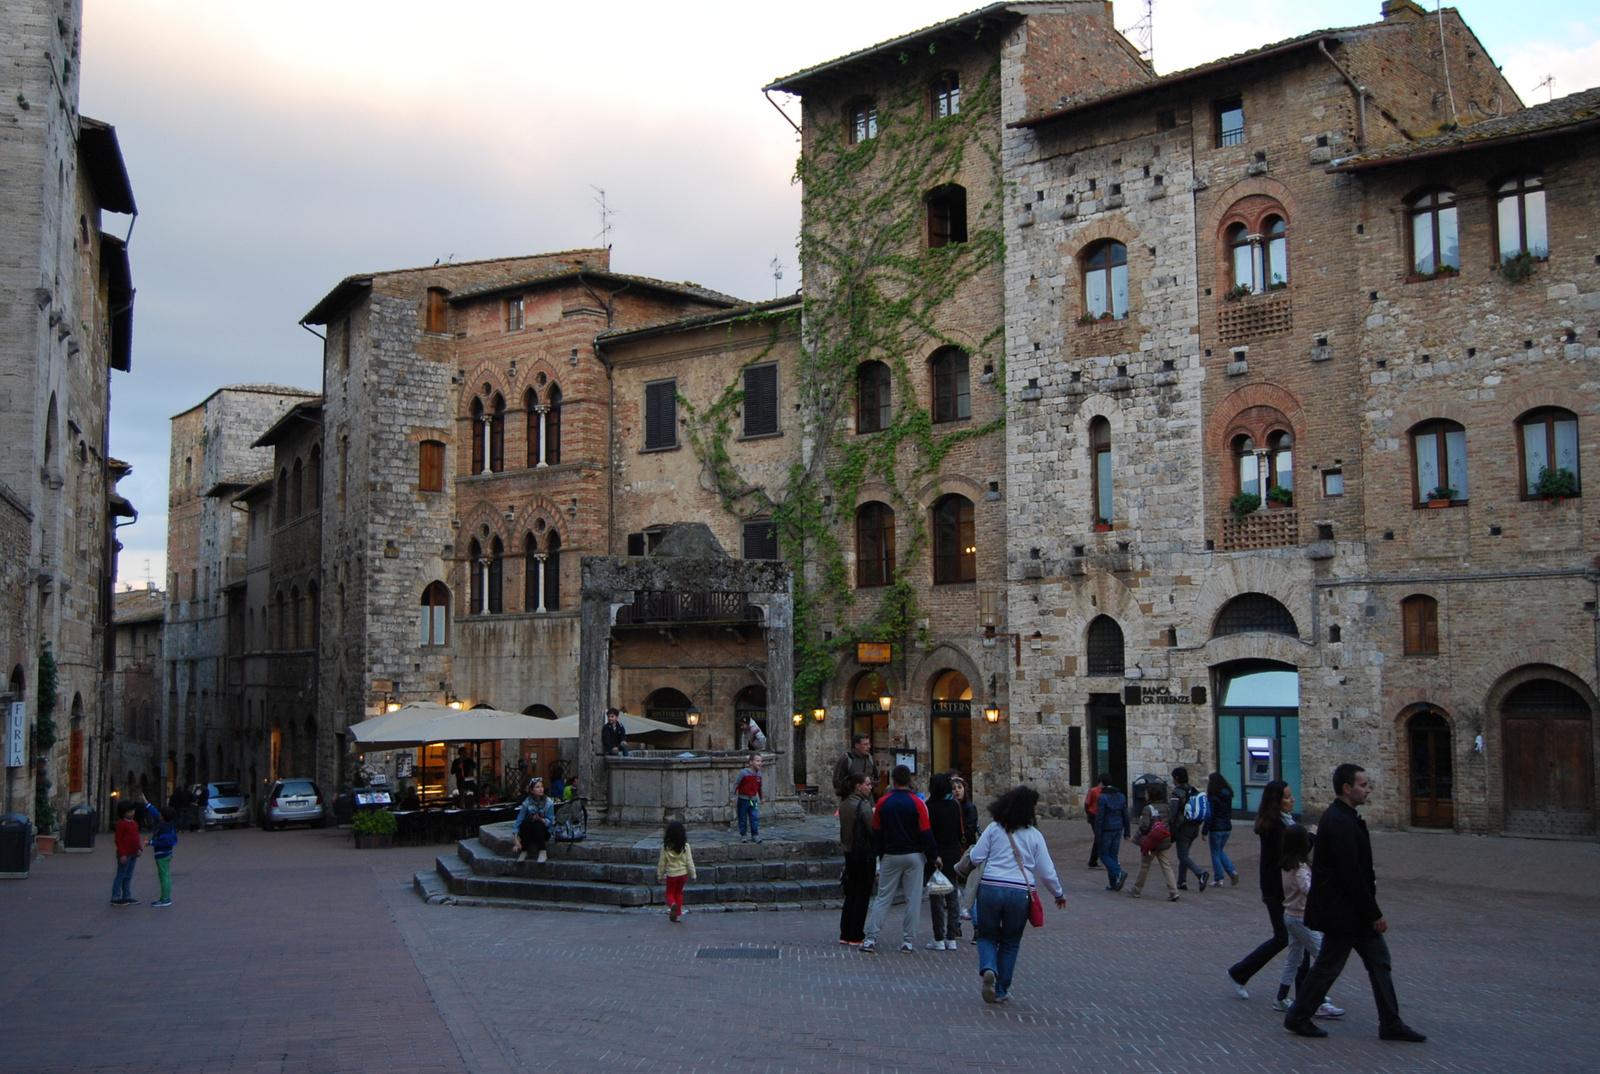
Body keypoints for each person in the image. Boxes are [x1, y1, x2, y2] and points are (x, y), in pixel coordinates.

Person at [1284, 765, 1426, 1042]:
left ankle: (1390, 1022)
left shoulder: (1343, 817)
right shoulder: (1339, 821)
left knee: (1378, 961)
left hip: (1351, 910)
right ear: (1347, 788)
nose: (1368, 789)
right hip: (1346, 911)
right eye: (1363, 784)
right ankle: (1298, 1016)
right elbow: (1351, 873)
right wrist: (1373, 913)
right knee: (1330, 964)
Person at [967, 785, 1065, 1004]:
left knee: (987, 935)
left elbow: (975, 857)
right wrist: (1058, 893)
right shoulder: (1035, 836)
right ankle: (1001, 989)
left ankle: (988, 967)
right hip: (1020, 890)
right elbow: (1047, 872)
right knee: (1011, 942)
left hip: (991, 886)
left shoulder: (994, 828)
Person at [1226, 780, 1307, 1000]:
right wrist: (1313, 837)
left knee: (1299, 940)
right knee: (1285, 938)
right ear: (1276, 802)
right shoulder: (1274, 826)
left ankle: (1308, 990)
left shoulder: (1283, 823)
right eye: (1288, 797)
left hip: (1281, 888)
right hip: (1277, 890)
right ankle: (1239, 972)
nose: (1292, 800)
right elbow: (1291, 851)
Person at [859, 765, 939, 953]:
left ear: (893, 781)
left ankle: (871, 938)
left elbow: (877, 831)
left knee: (883, 897)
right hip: (913, 854)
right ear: (909, 781)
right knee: (913, 899)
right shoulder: (918, 803)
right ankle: (908, 941)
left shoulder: (883, 802)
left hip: (891, 854)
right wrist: (933, 856)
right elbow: (926, 832)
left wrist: (880, 853)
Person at [1274, 825, 1344, 1017]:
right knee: (1322, 957)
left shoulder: (1286, 862)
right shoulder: (1300, 867)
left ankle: (1281, 997)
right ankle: (1316, 1001)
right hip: (1301, 918)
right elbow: (1308, 889)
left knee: (1294, 959)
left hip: (1290, 915)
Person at [925, 772, 964, 950]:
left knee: (937, 897)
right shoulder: (954, 806)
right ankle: (952, 936)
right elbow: (958, 832)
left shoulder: (929, 807)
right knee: (953, 896)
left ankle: (939, 937)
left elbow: (927, 833)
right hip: (953, 853)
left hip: (936, 855)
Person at [838, 772, 877, 945]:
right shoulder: (863, 805)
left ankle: (845, 932)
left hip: (849, 851)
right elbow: (872, 830)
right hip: (863, 853)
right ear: (858, 786)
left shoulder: (845, 804)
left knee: (851, 892)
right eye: (867, 784)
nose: (870, 787)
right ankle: (856, 934)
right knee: (862, 893)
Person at [1128, 783, 1179, 901]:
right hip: (1164, 840)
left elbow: (1145, 826)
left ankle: (1137, 889)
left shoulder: (1147, 808)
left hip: (1152, 842)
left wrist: (1141, 821)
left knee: (1144, 866)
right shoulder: (1165, 806)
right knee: (1166, 866)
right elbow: (1170, 821)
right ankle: (1174, 891)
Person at [1168, 766, 1209, 891]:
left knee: (1182, 855)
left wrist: (1170, 823)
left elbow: (1173, 812)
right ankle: (1182, 881)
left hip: (1183, 827)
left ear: (1176, 778)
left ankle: (1200, 873)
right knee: (1185, 854)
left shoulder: (1176, 792)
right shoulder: (1193, 790)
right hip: (1194, 827)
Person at [1092, 780, 1130, 891]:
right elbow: (1126, 815)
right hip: (1118, 828)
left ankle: (1118, 873)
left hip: (1107, 829)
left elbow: (1100, 818)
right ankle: (1114, 883)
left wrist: (1097, 835)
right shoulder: (1121, 797)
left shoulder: (1102, 798)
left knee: (1103, 855)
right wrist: (1127, 831)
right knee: (1113, 855)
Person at [657, 819, 696, 923]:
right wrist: (693, 875)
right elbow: (689, 862)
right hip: (683, 874)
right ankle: (678, 915)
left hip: (671, 874)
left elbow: (662, 863)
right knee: (679, 893)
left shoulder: (666, 847)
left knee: (670, 893)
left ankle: (672, 904)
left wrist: (659, 875)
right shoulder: (686, 846)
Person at [1203, 771, 1239, 886]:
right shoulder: (1227, 794)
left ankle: (1219, 878)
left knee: (1215, 852)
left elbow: (1210, 815)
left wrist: (1204, 831)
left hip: (1216, 828)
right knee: (1220, 851)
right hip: (1227, 827)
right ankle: (1231, 871)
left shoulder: (1213, 797)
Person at [111, 799, 144, 906]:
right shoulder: (122, 824)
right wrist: (122, 854)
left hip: (133, 852)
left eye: (133, 811)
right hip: (125, 853)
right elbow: (118, 840)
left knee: (129, 875)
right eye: (129, 811)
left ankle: (127, 895)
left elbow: (136, 837)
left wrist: (139, 848)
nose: (132, 813)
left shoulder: (134, 823)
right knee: (121, 875)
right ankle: (115, 896)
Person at [513, 777, 555, 863]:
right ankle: (524, 850)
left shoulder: (549, 803)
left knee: (537, 823)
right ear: (531, 790)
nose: (540, 789)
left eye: (541, 786)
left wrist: (542, 820)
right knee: (527, 821)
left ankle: (542, 850)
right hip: (530, 832)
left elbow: (550, 821)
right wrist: (516, 841)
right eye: (537, 787)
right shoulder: (527, 803)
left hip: (543, 832)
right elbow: (519, 821)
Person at [147, 804, 178, 906]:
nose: (158, 815)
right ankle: (165, 897)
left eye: (160, 814)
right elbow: (155, 814)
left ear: (163, 817)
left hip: (162, 854)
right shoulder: (167, 824)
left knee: (163, 876)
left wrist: (151, 843)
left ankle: (165, 898)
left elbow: (164, 843)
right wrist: (147, 803)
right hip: (166, 854)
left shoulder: (164, 828)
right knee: (165, 876)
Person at [832, 733, 878, 800]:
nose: (868, 747)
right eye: (865, 744)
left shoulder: (870, 759)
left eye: (869, 744)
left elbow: (878, 778)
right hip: (850, 799)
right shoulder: (847, 759)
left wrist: (870, 783)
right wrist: (852, 787)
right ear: (857, 745)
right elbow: (836, 781)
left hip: (868, 799)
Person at [729, 753, 763, 843]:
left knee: (754, 817)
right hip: (743, 800)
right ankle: (743, 834)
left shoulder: (759, 775)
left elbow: (760, 787)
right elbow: (736, 784)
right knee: (742, 818)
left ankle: (755, 834)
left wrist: (761, 797)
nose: (760, 763)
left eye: (761, 761)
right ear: (751, 762)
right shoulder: (744, 773)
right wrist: (732, 795)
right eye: (757, 761)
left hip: (753, 800)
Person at [1083, 777, 1103, 868]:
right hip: (1094, 814)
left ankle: (1095, 859)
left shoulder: (1103, 792)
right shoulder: (1094, 791)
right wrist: (1088, 814)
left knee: (1100, 837)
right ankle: (1093, 860)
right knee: (1099, 837)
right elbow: (1087, 803)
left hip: (1099, 815)